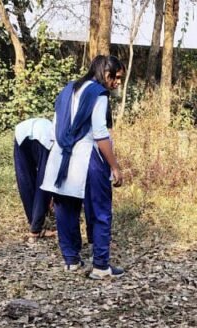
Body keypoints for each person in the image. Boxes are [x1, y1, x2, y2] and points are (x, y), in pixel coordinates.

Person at [40, 55, 125, 280]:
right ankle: (100, 266)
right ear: (105, 74)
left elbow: (55, 127)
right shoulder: (98, 94)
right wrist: (115, 166)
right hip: (86, 158)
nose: (117, 83)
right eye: (115, 77)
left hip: (60, 156)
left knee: (65, 210)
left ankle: (72, 260)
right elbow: (100, 134)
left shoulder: (68, 90)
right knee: (100, 211)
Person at [14, 117, 56, 242]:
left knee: (25, 179)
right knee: (44, 181)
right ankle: (36, 229)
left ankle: (33, 222)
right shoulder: (52, 130)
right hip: (43, 138)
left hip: (20, 134)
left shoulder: (47, 124)